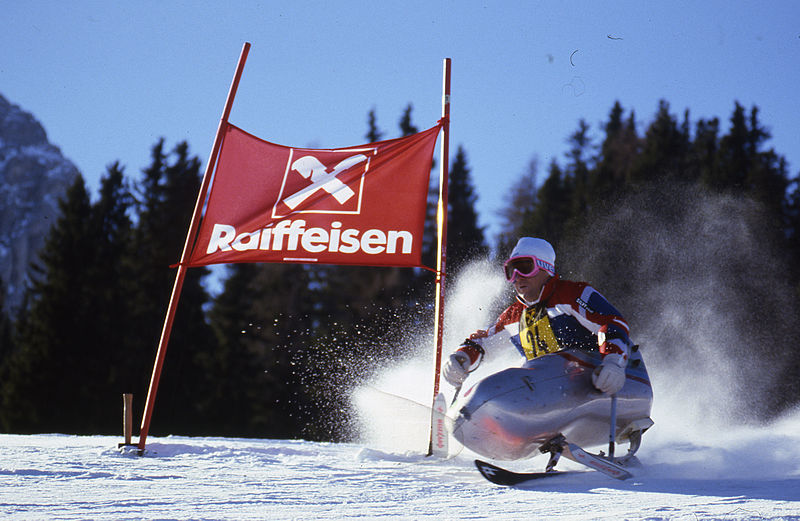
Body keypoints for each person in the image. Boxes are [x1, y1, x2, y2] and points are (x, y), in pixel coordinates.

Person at [443, 237, 631, 395]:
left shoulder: (572, 294)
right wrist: (461, 358)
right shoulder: (514, 315)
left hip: (593, 380)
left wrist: (613, 361)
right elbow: (484, 343)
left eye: (525, 268)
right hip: (546, 392)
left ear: (545, 268)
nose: (517, 277)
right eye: (511, 271)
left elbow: (611, 322)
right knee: (493, 388)